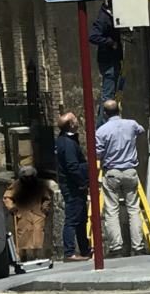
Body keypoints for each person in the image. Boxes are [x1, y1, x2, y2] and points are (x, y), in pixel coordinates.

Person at [95, 100, 145, 257]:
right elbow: (141, 130)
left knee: (111, 210)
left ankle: (116, 247)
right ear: (119, 109)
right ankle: (138, 246)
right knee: (134, 209)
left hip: (112, 172)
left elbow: (97, 153)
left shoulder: (101, 131)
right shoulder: (131, 124)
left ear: (104, 113)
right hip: (130, 171)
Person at [56, 112, 92, 262]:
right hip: (73, 187)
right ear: (71, 124)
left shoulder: (64, 140)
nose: (78, 120)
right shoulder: (68, 143)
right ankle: (69, 252)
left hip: (73, 186)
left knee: (81, 218)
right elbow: (72, 167)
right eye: (75, 119)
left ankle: (85, 249)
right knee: (72, 219)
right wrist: (82, 182)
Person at [3, 166, 53, 261]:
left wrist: (45, 207)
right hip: (23, 214)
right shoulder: (17, 185)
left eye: (30, 177)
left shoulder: (40, 185)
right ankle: (23, 255)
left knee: (37, 233)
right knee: (23, 235)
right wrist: (11, 207)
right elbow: (7, 197)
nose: (28, 179)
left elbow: (46, 197)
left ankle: (36, 255)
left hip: (37, 214)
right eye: (26, 177)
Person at [89, 1, 123, 128]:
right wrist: (110, 42)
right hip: (108, 61)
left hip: (112, 60)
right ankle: (103, 125)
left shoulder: (109, 16)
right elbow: (93, 36)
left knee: (110, 94)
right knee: (108, 95)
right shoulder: (104, 17)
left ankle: (104, 123)